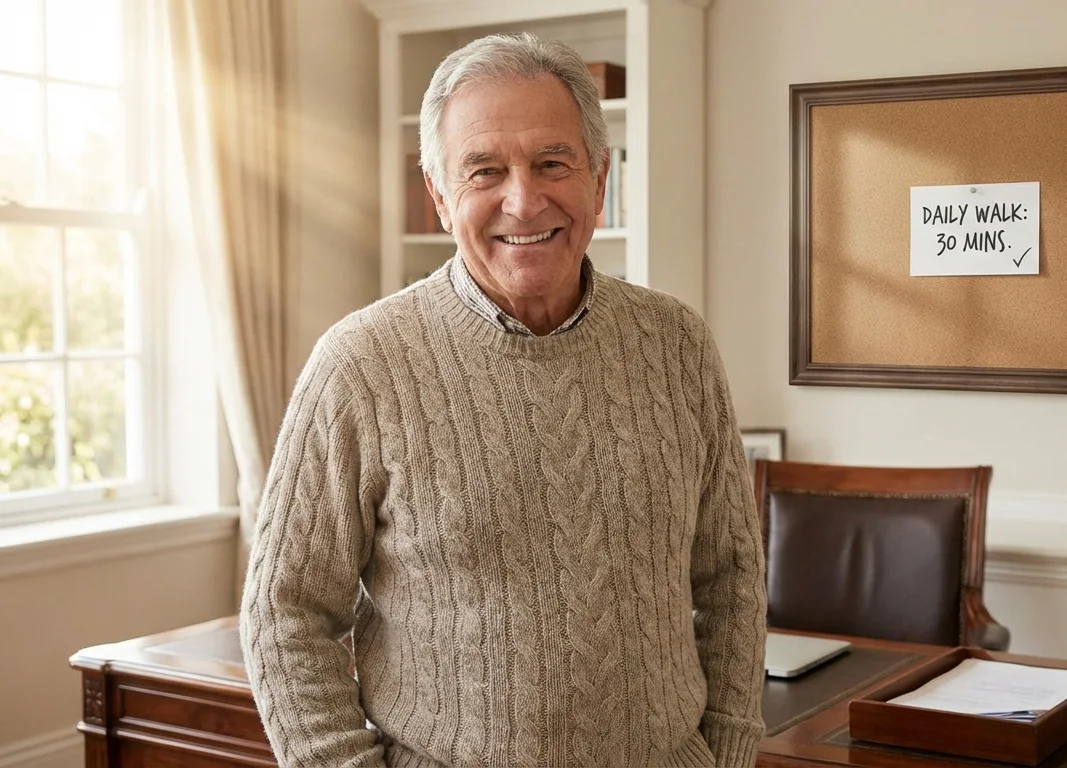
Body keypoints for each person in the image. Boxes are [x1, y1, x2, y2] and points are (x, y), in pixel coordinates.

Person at [238, 31, 768, 768]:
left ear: (599, 179)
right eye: (484, 171)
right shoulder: (359, 364)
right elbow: (285, 611)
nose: (524, 200)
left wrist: (730, 754)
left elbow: (732, 577)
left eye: (553, 162)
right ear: (440, 197)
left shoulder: (677, 344)